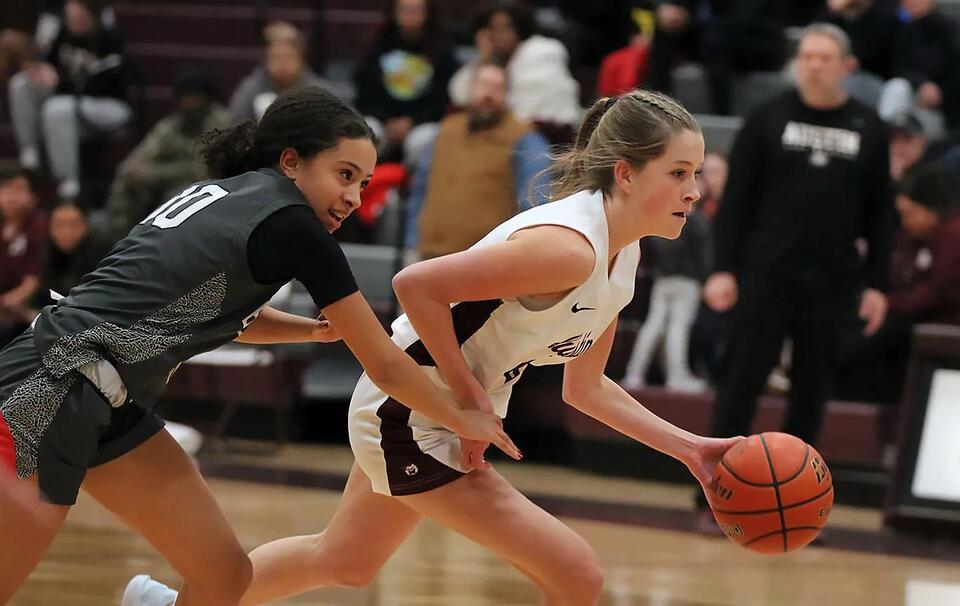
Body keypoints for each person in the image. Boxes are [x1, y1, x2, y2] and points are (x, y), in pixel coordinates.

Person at [129, 89, 744, 606]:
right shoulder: (568, 249)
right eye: (679, 173)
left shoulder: (621, 254)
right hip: (409, 411)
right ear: (626, 173)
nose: (695, 191)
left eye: (696, 173)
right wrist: (469, 399)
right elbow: (416, 285)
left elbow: (585, 388)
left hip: (438, 409)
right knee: (576, 572)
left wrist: (691, 450)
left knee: (343, 561)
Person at [0, 86, 517, 606]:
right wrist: (461, 416)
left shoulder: (234, 197)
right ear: (291, 162)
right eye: (344, 175)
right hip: (50, 388)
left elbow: (215, 312)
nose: (355, 198)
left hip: (106, 401)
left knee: (225, 576)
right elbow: (384, 364)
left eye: (363, 183)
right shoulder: (293, 225)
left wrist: (308, 330)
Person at [699, 24, 893, 512]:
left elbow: (880, 214)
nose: (814, 65)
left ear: (847, 66)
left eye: (825, 57)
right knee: (740, 383)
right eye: (806, 56)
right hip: (765, 273)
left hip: (832, 281)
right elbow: (736, 202)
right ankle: (716, 493)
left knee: (811, 393)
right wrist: (723, 269)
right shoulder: (766, 118)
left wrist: (877, 285)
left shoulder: (869, 126)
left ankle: (798, 500)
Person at [405, 61, 552, 260]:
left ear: (508, 95)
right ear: (469, 89)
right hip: (428, 254)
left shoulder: (524, 138)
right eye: (483, 85)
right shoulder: (446, 130)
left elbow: (534, 203)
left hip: (485, 261)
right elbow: (420, 190)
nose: (488, 95)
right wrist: (412, 242)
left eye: (497, 88)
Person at [6, 0, 131, 199]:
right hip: (69, 99)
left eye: (79, 18)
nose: (74, 23)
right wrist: (40, 71)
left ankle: (68, 183)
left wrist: (58, 82)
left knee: (56, 108)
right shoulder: (65, 34)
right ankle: (30, 155)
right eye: (70, 18)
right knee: (21, 84)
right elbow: (51, 64)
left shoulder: (110, 39)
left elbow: (101, 85)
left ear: (93, 16)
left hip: (109, 104)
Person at [104, 65, 232, 239]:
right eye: (185, 97)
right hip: (168, 184)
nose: (189, 103)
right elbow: (136, 162)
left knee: (176, 197)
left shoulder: (221, 123)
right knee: (126, 184)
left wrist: (151, 174)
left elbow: (201, 170)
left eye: (195, 97)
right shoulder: (172, 125)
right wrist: (135, 174)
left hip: (208, 191)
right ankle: (119, 241)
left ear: (207, 98)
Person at [353, 0, 459, 165]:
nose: (409, 16)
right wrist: (386, 120)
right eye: (404, 10)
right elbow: (364, 92)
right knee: (365, 133)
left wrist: (413, 121)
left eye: (416, 10)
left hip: (423, 123)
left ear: (427, 14)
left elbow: (444, 97)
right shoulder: (377, 47)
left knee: (421, 141)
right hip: (382, 120)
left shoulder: (441, 50)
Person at [229, 21, 332, 123]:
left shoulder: (320, 93)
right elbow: (235, 122)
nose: (282, 65)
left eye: (288, 58)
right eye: (276, 58)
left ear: (300, 58)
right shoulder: (249, 90)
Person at [0, 165, 47, 349]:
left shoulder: (39, 227)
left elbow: (31, 284)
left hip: (28, 310)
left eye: (18, 190)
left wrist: (4, 303)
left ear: (33, 196)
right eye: (5, 189)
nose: (10, 196)